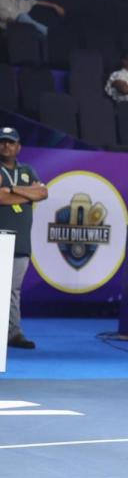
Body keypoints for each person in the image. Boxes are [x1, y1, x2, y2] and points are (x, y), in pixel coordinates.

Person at [0, 127, 46, 349]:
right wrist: (27, 194)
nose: (6, 146)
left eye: (10, 142)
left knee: (12, 290)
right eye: (2, 142)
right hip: (1, 236)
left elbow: (43, 193)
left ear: (18, 147)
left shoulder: (28, 170)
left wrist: (10, 189)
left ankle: (13, 333)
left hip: (20, 241)